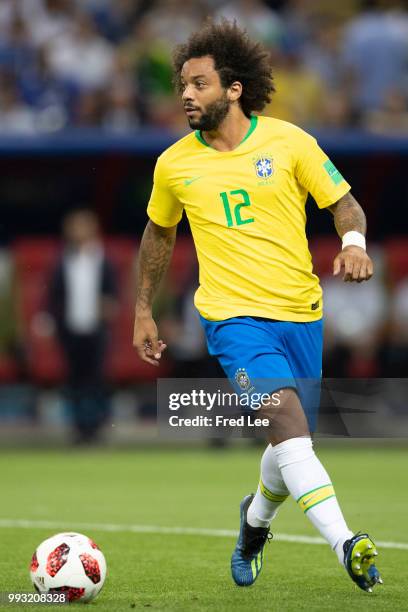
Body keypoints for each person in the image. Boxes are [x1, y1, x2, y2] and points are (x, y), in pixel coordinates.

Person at [133, 20, 382, 593]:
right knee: (286, 422)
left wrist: (353, 244)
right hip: (232, 318)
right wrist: (143, 308)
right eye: (182, 86)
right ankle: (348, 543)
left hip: (301, 313)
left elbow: (344, 204)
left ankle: (253, 523)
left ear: (234, 88)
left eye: (198, 84)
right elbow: (159, 234)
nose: (186, 95)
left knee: (290, 443)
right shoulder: (174, 164)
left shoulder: (289, 142)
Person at [49, 208, 117, 444]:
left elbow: (113, 293)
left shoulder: (103, 260)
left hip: (97, 329)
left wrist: (108, 306)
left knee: (97, 379)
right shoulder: (62, 260)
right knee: (74, 380)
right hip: (70, 329)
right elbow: (54, 295)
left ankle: (97, 426)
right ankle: (78, 428)